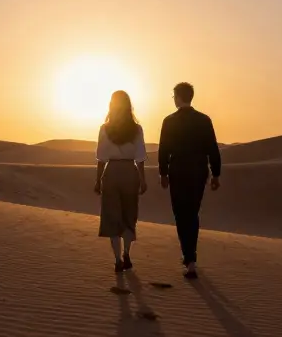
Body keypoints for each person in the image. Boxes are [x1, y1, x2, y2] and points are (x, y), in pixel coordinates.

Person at [158, 82, 220, 278]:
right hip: (198, 172)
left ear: (177, 97)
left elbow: (163, 150)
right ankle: (191, 258)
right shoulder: (203, 120)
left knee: (180, 214)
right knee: (192, 213)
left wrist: (163, 173)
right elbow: (212, 149)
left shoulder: (169, 121)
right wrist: (216, 174)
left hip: (178, 172)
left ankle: (188, 256)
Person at [94, 90, 148, 273]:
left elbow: (101, 157)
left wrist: (98, 180)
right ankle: (126, 254)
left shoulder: (105, 128)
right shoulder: (137, 129)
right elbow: (140, 157)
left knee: (112, 217)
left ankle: (117, 259)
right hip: (129, 172)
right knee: (128, 215)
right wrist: (142, 179)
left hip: (112, 172)